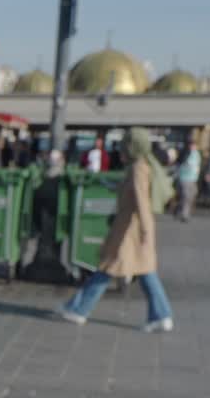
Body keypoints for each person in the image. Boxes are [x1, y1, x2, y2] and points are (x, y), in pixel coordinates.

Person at [58, 127, 176, 332]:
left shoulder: (138, 168)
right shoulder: (144, 164)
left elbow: (141, 201)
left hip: (129, 230)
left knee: (107, 268)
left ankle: (78, 309)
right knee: (145, 271)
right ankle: (161, 314)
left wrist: (146, 232)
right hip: (132, 228)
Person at [175, 141, 202, 222]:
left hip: (193, 178)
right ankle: (185, 215)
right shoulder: (185, 153)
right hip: (184, 177)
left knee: (192, 196)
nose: (193, 147)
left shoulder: (197, 154)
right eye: (191, 145)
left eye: (194, 145)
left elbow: (199, 165)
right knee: (186, 196)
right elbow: (179, 163)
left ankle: (178, 208)